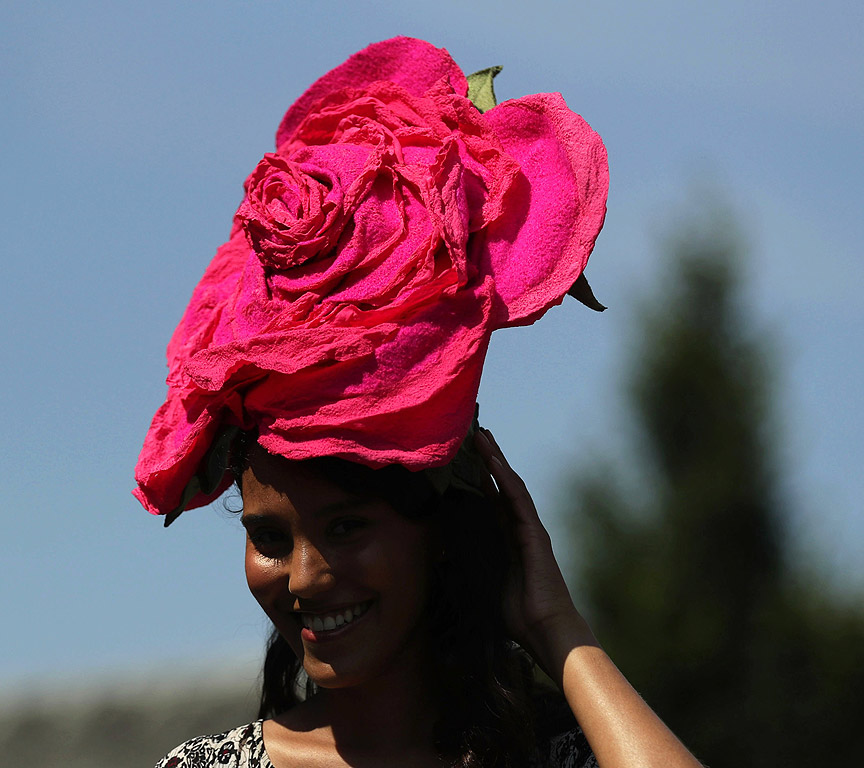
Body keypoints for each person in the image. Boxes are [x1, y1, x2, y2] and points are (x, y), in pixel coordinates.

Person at [134, 37, 704, 768]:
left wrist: (558, 628)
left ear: (441, 530)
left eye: (346, 527)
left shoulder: (553, 755)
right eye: (271, 539)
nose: (304, 578)